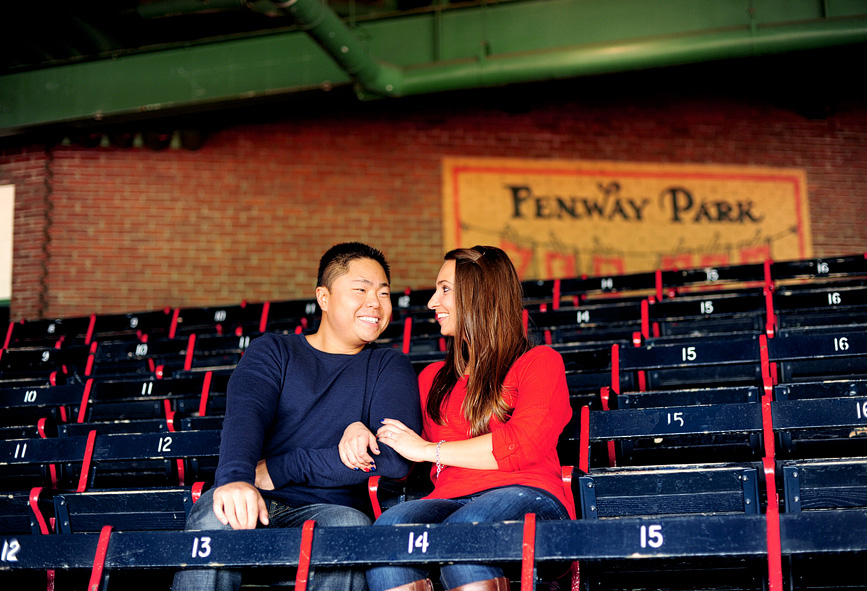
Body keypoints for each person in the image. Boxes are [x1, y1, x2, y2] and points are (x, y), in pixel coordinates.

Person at [172, 242, 422, 591]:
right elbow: (246, 416)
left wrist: (282, 468)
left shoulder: (388, 365)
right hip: (258, 498)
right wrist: (236, 478)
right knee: (218, 513)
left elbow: (393, 460)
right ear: (324, 296)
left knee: (349, 526)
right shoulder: (273, 351)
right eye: (361, 290)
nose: (375, 303)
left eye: (384, 293)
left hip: (328, 512)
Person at [340, 245, 575, 591]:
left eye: (445, 289)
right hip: (448, 502)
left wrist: (429, 450)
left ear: (481, 294)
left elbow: (521, 445)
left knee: (465, 534)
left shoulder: (540, 363)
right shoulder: (432, 378)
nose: (433, 302)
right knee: (388, 535)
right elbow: (393, 443)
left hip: (530, 496)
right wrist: (355, 426)